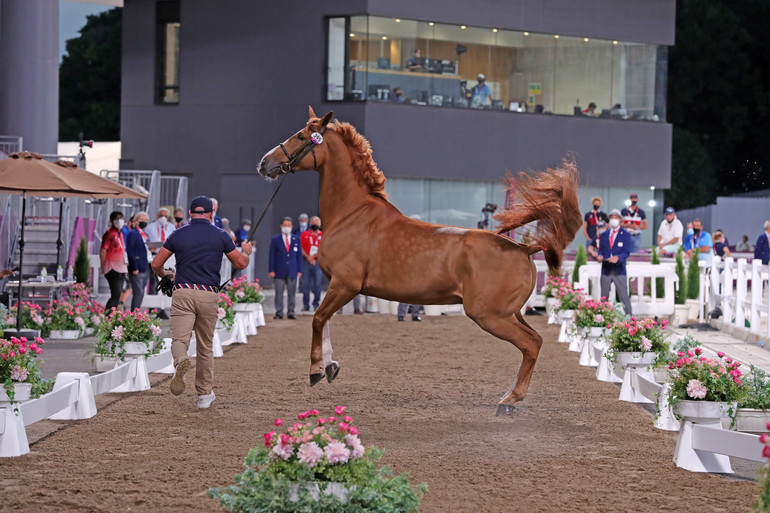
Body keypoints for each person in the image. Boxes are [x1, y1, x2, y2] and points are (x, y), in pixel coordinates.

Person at [152, 195, 253, 409]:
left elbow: (156, 264)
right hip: (208, 293)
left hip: (183, 291)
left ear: (190, 213)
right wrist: (246, 251)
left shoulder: (177, 234)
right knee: (205, 345)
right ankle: (204, 395)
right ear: (211, 214)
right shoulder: (221, 235)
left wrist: (167, 275)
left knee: (180, 339)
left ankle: (180, 361)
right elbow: (241, 263)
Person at [597, 209, 632, 315]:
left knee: (623, 296)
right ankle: (602, 319)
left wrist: (618, 257)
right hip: (606, 269)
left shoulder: (626, 235)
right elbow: (601, 249)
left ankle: (630, 319)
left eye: (616, 218)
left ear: (620, 220)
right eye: (612, 217)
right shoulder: (604, 234)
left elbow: (627, 252)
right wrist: (600, 255)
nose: (614, 220)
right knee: (603, 297)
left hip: (619, 270)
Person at [268, 217, 302, 320]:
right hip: (279, 271)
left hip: (292, 270)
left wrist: (299, 270)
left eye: (289, 225)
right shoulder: (275, 239)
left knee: (292, 293)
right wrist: (271, 270)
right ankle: (279, 312)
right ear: (281, 226)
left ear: (291, 227)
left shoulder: (296, 239)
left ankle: (291, 312)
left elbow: (299, 256)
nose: (287, 227)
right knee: (279, 293)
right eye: (285, 225)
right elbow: (271, 256)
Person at [145, 208, 176, 306]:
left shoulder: (172, 227)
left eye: (165, 216)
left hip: (168, 257)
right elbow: (145, 241)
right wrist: (149, 248)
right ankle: (153, 307)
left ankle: (164, 306)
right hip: (155, 256)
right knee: (155, 281)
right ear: (157, 216)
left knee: (167, 281)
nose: (163, 218)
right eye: (161, 215)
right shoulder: (150, 227)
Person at [100, 211, 127, 312]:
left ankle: (111, 314)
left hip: (121, 267)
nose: (120, 221)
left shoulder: (120, 233)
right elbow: (103, 251)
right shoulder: (109, 234)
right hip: (112, 267)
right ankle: (107, 315)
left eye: (121, 218)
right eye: (117, 218)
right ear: (112, 221)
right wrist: (103, 266)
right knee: (115, 294)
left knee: (118, 294)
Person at [126, 211, 151, 311]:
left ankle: (137, 312)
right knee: (138, 291)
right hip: (137, 266)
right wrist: (134, 267)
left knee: (141, 292)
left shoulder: (144, 235)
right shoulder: (133, 234)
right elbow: (130, 251)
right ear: (136, 221)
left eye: (146, 220)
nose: (144, 222)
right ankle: (134, 313)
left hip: (145, 265)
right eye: (142, 220)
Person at [300, 216, 323, 312]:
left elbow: (324, 248)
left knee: (317, 285)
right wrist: (309, 258)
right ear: (310, 224)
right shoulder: (304, 234)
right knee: (305, 285)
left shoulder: (323, 235)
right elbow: (301, 248)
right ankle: (306, 305)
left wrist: (314, 257)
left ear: (320, 224)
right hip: (306, 262)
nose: (315, 224)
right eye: (313, 222)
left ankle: (316, 304)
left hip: (318, 263)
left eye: (317, 223)